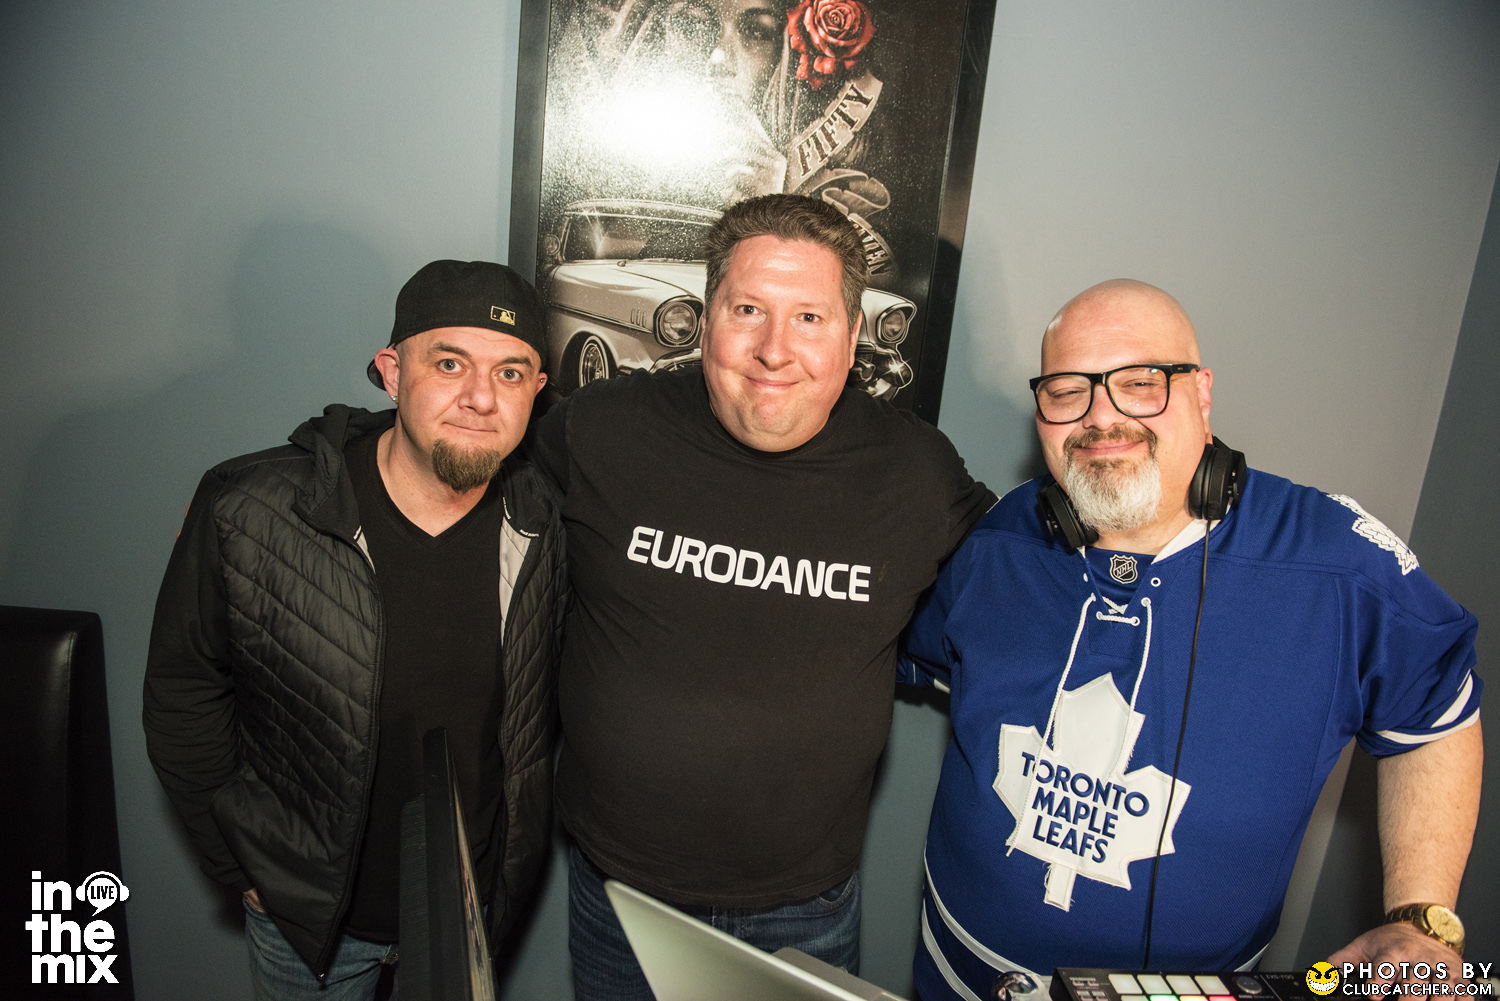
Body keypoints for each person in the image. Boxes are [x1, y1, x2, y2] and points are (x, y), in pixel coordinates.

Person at [900, 280, 1483, 1001]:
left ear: (1202, 394)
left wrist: (1422, 922)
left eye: (1141, 383)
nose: (1101, 416)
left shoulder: (1338, 565)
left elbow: (1436, 720)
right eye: (1067, 390)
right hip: (955, 974)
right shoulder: (997, 541)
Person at [526, 193, 994, 1001]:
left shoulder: (917, 472)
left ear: (852, 333)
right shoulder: (597, 429)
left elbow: (1033, 578)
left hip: (802, 905)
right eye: (748, 310)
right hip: (618, 889)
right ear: (708, 315)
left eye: (809, 317)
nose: (775, 350)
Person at [143, 260, 567, 1000]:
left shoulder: (543, 522)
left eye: (509, 373)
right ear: (392, 373)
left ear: (536, 390)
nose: (479, 397)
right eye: (449, 364)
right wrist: (241, 866)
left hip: (467, 917)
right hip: (309, 923)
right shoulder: (252, 508)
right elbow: (184, 692)